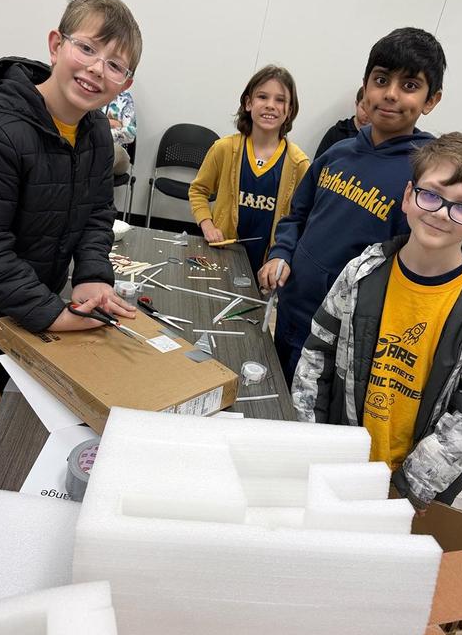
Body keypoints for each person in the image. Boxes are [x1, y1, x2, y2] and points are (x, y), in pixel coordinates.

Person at [0, 0, 142, 526]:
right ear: (55, 44)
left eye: (115, 65)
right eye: (87, 49)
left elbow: (97, 213)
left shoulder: (96, 132)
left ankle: (11, 502)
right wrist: (52, 313)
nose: (97, 69)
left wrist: (93, 276)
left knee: (29, 414)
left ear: (127, 82)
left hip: (34, 306)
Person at [292, 132, 462, 512]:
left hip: (416, 491)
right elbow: (315, 358)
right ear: (408, 196)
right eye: (431, 194)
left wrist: (405, 491)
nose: (440, 213)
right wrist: (314, 446)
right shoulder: (360, 273)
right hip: (338, 464)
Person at [259, 27, 446, 387]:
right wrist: (281, 253)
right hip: (291, 308)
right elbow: (297, 215)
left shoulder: (426, 177)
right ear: (365, 87)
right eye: (381, 80)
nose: (390, 94)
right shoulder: (336, 154)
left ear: (430, 100)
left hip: (343, 335)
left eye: (409, 85)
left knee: (311, 421)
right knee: (274, 394)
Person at [188, 65, 309, 275]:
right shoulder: (224, 149)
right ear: (248, 103)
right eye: (263, 97)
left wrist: (282, 257)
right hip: (222, 254)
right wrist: (207, 225)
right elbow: (198, 191)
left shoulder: (298, 163)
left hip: (265, 267)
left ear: (289, 111)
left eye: (280, 100)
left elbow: (303, 218)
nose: (270, 105)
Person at [314, 86, 369, 160]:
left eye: (373, 108)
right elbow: (318, 165)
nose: (367, 113)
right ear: (356, 104)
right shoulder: (336, 133)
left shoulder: (379, 137)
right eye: (364, 107)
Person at [102, 87, 136, 174]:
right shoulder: (92, 91)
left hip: (117, 151)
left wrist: (103, 134)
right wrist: (112, 123)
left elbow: (130, 134)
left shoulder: (125, 98)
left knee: (110, 151)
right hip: (89, 148)